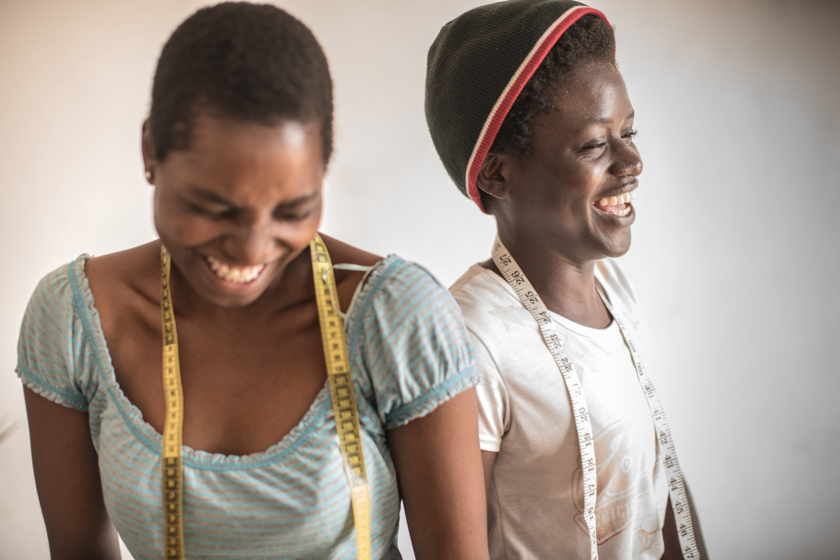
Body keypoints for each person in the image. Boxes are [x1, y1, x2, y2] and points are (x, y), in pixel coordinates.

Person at [16, 3, 489, 559]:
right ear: (150, 152)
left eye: (292, 208)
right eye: (214, 207)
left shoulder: (396, 317)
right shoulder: (74, 318)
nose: (251, 248)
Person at [424, 1, 709, 559]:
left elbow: (658, 482)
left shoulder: (615, 294)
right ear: (497, 173)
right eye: (595, 144)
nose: (632, 162)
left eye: (629, 132)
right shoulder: (469, 339)